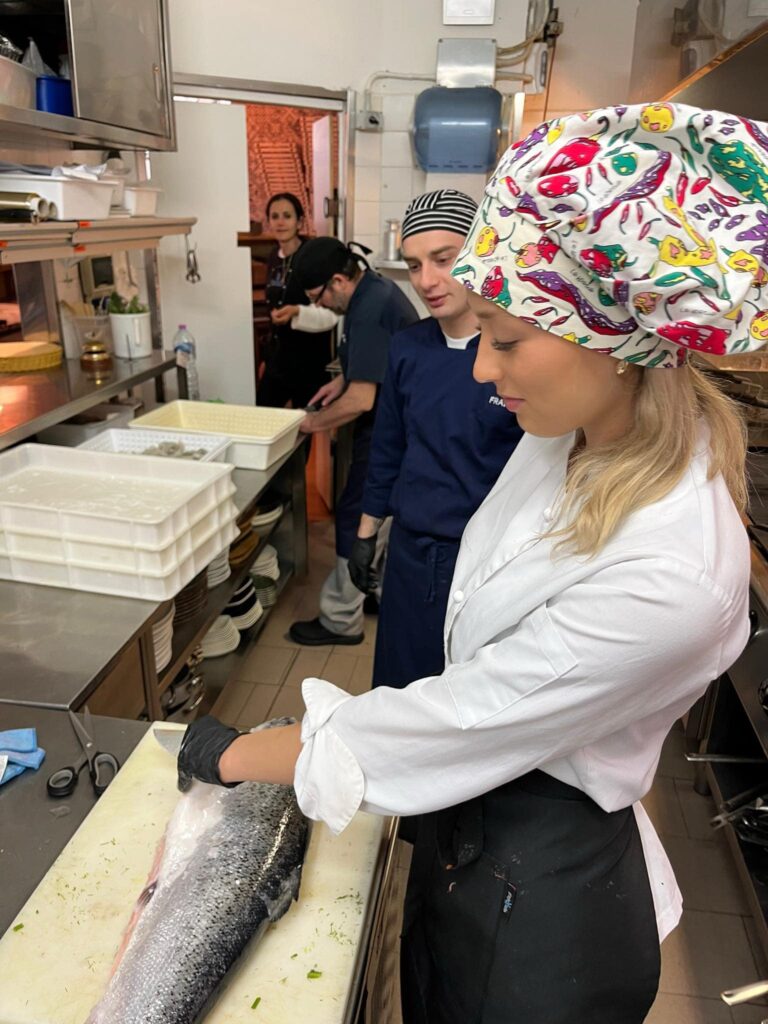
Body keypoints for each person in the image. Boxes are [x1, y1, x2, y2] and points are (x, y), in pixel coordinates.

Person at [176, 103, 768, 1023]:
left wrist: (238, 754)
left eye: (507, 339)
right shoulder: (572, 435)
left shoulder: (672, 574)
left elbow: (458, 722)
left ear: (616, 341)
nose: (484, 371)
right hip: (473, 841)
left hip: (542, 924)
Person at [347, 189, 524, 689]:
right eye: (413, 265)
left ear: (479, 251)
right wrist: (366, 533)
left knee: (463, 696)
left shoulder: (517, 354)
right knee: (400, 689)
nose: (426, 280)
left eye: (443, 260)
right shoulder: (408, 348)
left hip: (485, 560)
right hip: (409, 556)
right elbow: (388, 447)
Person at [288, 237, 419, 646]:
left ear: (339, 281)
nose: (322, 306)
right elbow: (372, 362)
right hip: (397, 423)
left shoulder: (369, 307)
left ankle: (340, 620)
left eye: (320, 297)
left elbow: (362, 400)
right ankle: (370, 590)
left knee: (358, 515)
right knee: (378, 517)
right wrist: (341, 381)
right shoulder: (373, 290)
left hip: (390, 429)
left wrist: (309, 424)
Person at [257, 193, 339, 410]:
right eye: (275, 217)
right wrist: (267, 358)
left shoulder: (313, 257)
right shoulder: (274, 257)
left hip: (309, 362)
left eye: (287, 216)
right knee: (264, 415)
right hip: (278, 360)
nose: (280, 222)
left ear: (300, 222)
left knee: (308, 421)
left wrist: (297, 312)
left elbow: (332, 315)